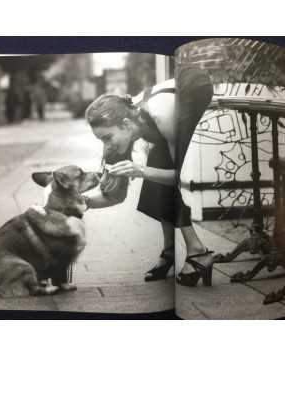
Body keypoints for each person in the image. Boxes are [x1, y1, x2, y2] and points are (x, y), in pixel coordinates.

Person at [84, 66, 218, 287]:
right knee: (156, 166)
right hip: (164, 106)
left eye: (107, 138)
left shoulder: (163, 115)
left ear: (126, 125)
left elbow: (180, 178)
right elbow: (115, 195)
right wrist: (80, 202)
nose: (107, 147)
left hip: (194, 86)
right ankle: (171, 250)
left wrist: (140, 170)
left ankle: (198, 252)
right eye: (102, 141)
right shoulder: (122, 130)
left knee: (157, 169)